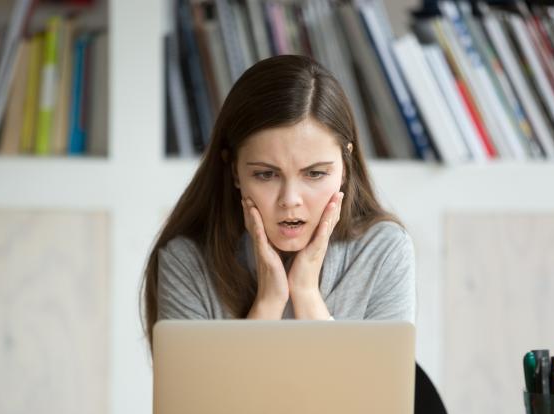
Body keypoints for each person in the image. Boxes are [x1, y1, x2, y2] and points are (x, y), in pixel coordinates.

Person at [140, 55, 415, 346]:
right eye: (266, 175)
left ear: (345, 167)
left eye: (315, 173)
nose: (290, 200)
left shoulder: (384, 250)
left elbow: (373, 392)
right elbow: (197, 393)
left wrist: (306, 293)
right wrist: (268, 303)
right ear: (234, 171)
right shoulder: (187, 261)